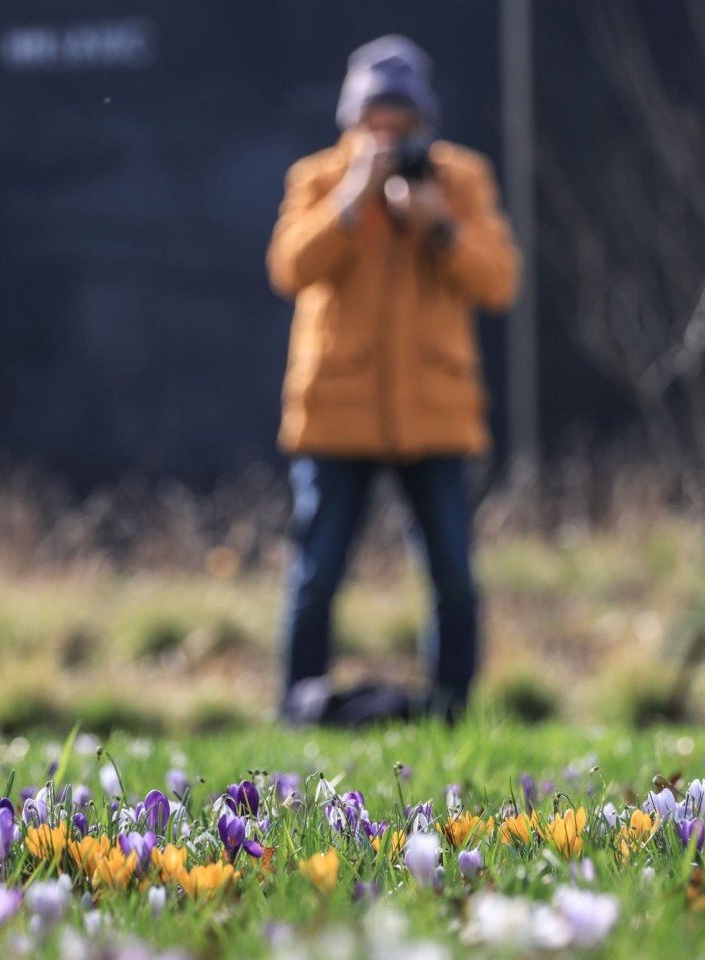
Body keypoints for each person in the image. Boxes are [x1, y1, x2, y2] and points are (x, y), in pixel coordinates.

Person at [266, 35, 519, 724]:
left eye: (400, 124)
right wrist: (354, 198)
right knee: (315, 574)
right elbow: (289, 267)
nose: (387, 136)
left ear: (422, 125)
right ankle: (298, 708)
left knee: (454, 575)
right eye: (374, 123)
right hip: (335, 415)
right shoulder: (318, 179)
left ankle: (452, 711)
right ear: (352, 123)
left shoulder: (460, 181)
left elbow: (499, 280)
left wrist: (439, 225)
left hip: (435, 415)